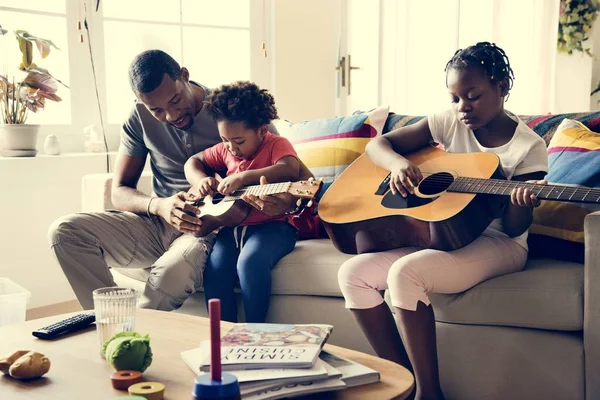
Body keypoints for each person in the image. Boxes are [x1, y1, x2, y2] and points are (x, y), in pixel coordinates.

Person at [337, 42, 549, 400]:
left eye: (473, 96)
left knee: (405, 273)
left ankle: (429, 393)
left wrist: (520, 202)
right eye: (455, 98)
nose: (463, 107)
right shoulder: (450, 120)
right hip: (448, 230)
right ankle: (401, 385)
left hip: (500, 242)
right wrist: (399, 164)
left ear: (501, 87)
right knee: (352, 274)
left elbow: (515, 228)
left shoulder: (528, 147)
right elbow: (378, 146)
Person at [48, 49, 313, 311]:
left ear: (185, 76)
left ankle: (135, 332)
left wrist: (285, 204)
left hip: (207, 227)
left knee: (169, 275)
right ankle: (111, 321)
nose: (171, 116)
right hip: (155, 222)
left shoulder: (231, 112)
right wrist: (159, 206)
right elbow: (119, 192)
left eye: (175, 100)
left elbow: (298, 175)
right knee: (64, 232)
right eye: (157, 110)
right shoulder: (138, 118)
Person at [184, 81, 300, 323]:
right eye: (225, 139)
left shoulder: (276, 144)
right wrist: (201, 180)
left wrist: (243, 177)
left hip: (273, 227)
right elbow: (192, 162)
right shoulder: (224, 150)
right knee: (215, 269)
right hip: (232, 228)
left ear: (261, 129)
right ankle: (223, 335)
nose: (231, 148)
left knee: (250, 262)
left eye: (239, 141)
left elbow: (290, 168)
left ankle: (255, 332)